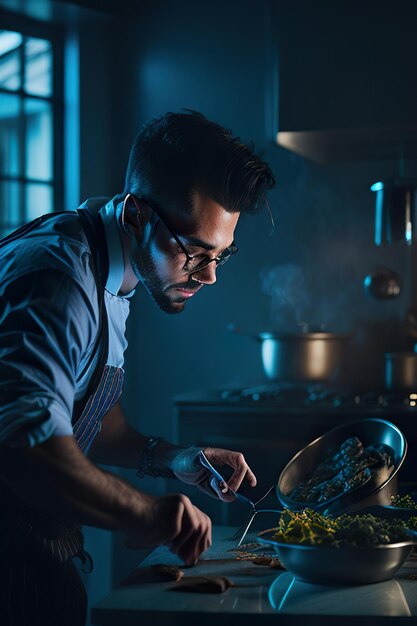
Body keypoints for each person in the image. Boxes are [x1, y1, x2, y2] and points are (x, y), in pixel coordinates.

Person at [0, 110, 275, 626]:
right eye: (195, 252)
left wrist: (174, 458)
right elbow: (25, 448)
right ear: (134, 216)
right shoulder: (58, 281)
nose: (209, 276)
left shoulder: (115, 270)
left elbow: (89, 418)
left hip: (36, 553)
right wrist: (146, 513)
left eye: (222, 254)